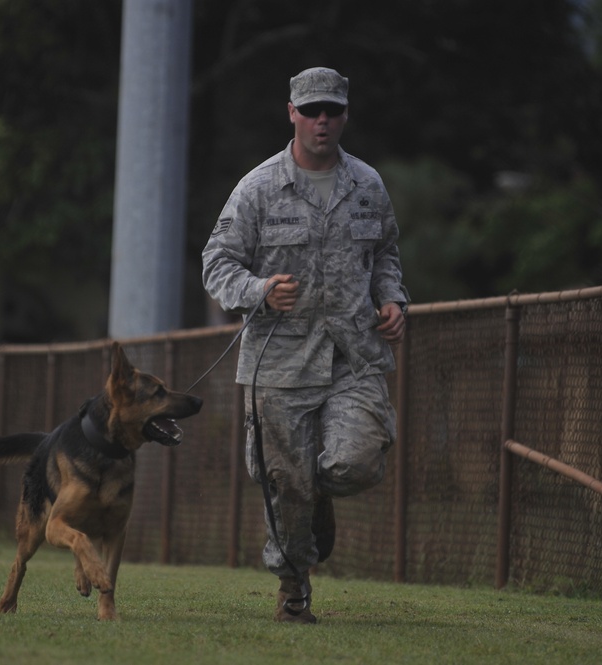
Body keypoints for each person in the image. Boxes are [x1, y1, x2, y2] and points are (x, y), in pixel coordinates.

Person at [201, 67, 409, 623]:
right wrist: (260, 290)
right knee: (283, 483)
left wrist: (393, 301)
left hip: (354, 354)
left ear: (345, 115)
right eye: (312, 110)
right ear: (291, 112)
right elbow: (216, 264)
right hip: (279, 361)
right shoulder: (259, 187)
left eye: (332, 110)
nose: (322, 120)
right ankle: (294, 593)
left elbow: (386, 253)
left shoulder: (367, 184)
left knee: (357, 462)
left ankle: (318, 502)